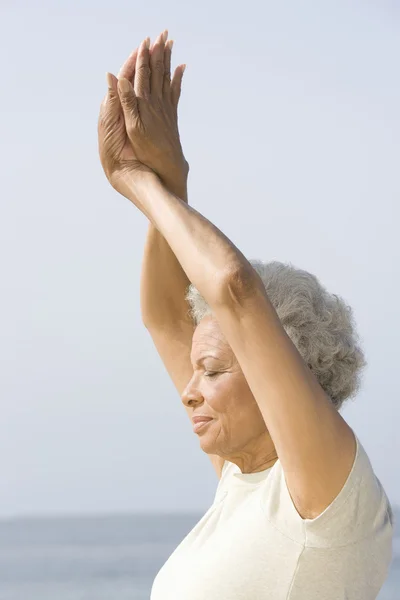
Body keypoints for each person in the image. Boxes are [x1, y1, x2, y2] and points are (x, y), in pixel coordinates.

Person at [97, 30, 394, 600]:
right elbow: (163, 316)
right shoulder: (244, 482)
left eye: (212, 370)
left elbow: (235, 288)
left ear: (276, 370)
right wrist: (169, 182)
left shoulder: (322, 492)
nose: (188, 390)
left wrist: (135, 182)